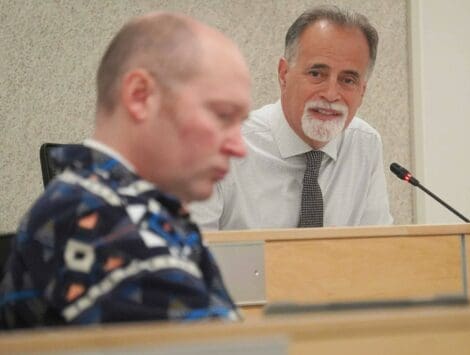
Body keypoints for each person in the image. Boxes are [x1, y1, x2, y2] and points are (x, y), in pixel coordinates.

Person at [0, 12, 251, 329]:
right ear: (140, 96)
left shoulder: (123, 208)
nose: (238, 147)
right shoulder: (103, 226)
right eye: (223, 115)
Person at [191, 6, 393, 230]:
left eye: (348, 80)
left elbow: (378, 249)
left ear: (362, 90)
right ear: (283, 74)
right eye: (317, 74)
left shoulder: (365, 144)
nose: (331, 94)